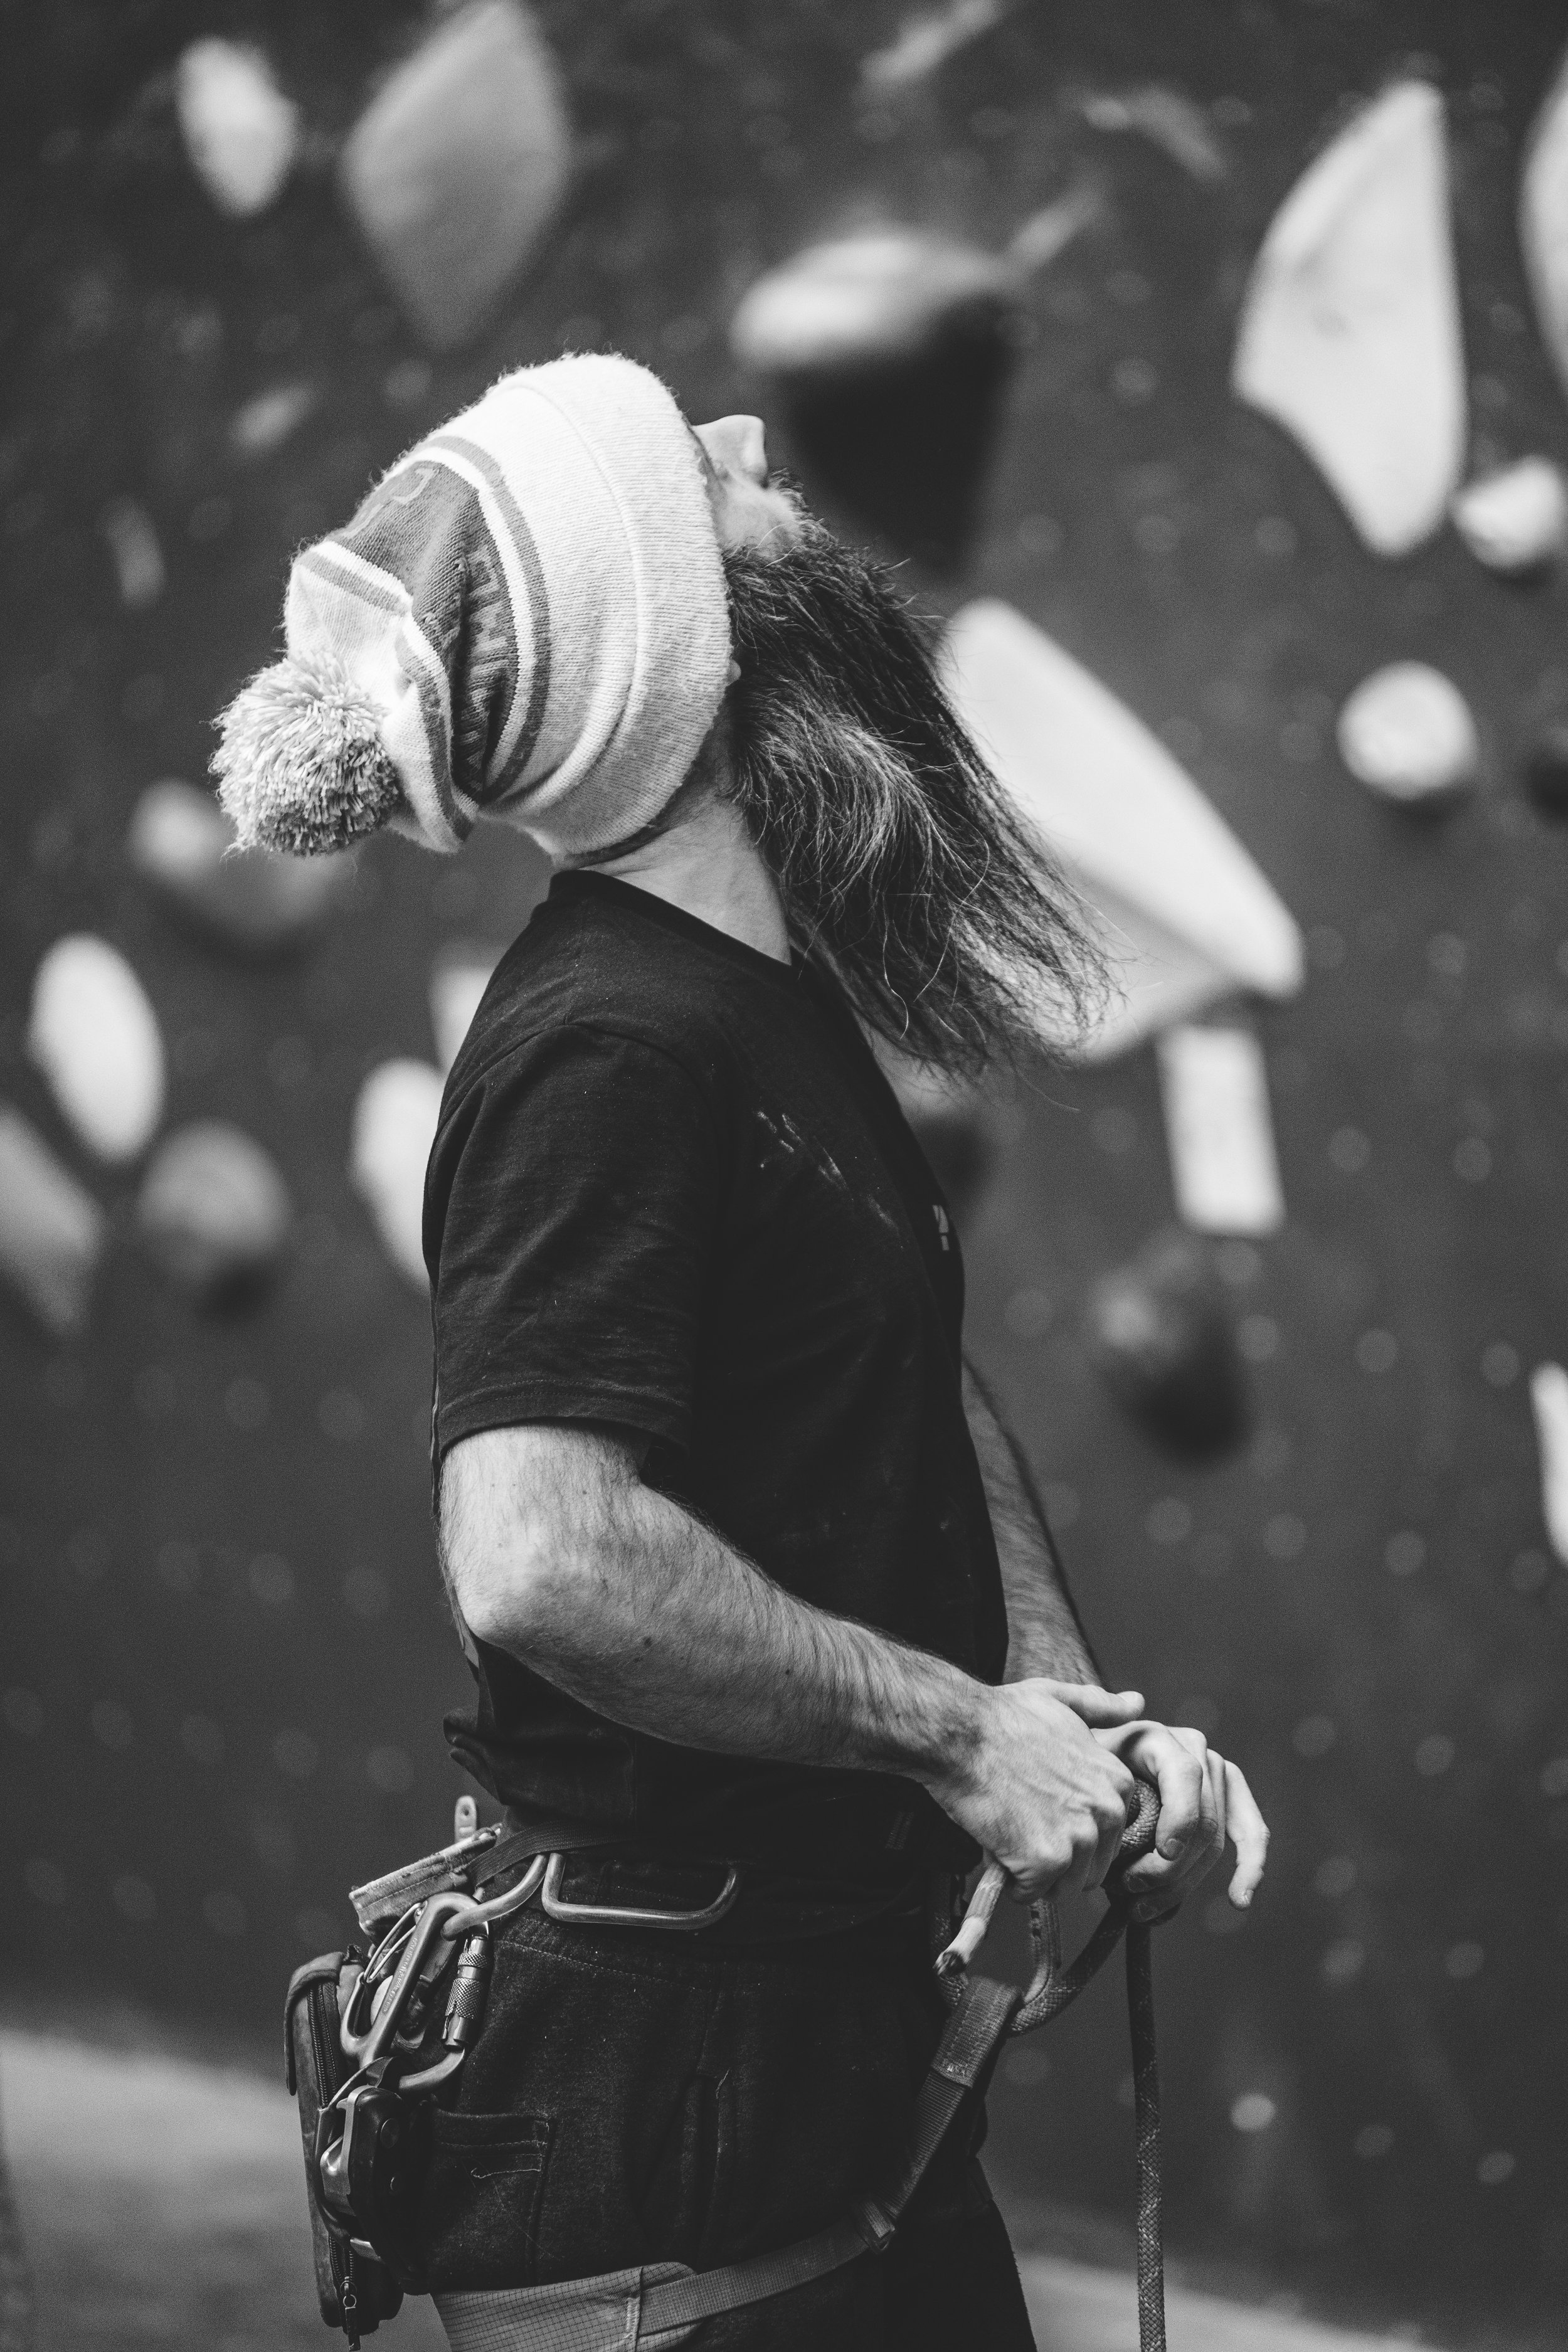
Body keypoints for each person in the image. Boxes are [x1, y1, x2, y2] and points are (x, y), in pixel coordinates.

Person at [216, 355, 1268, 2350]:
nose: (753, 459)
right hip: (658, 2153)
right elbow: (534, 1553)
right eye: (694, 477)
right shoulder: (608, 1044)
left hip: (822, 2096)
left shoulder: (758, 1001)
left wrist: (1063, 1716)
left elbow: (907, 1383)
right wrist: (956, 1737)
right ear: (667, 639)